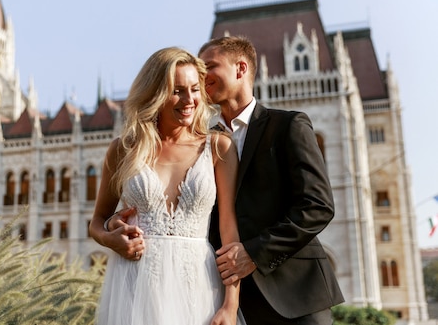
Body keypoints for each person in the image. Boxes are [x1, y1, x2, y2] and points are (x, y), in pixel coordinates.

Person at [89, 47, 246, 325]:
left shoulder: (218, 147)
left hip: (198, 286)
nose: (189, 100)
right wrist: (108, 239)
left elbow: (229, 233)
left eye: (195, 89)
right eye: (177, 91)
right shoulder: (123, 150)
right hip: (135, 287)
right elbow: (98, 220)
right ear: (155, 93)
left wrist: (231, 305)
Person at [198, 36, 344, 324]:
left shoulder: (288, 125)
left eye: (209, 66)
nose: (201, 76)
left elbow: (317, 206)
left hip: (295, 297)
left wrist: (253, 253)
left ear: (240, 69)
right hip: (228, 301)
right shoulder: (202, 143)